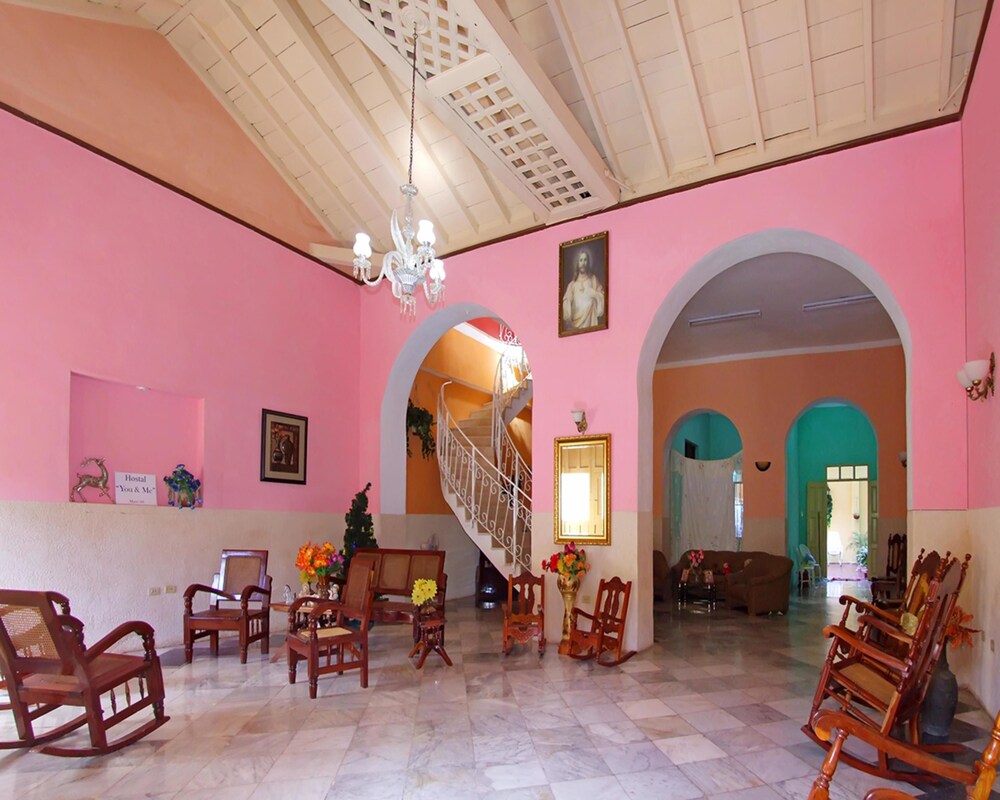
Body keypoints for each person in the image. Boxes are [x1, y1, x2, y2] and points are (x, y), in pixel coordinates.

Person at [561, 247, 605, 330]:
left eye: (585, 260)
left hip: (591, 322)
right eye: (581, 260)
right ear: (577, 263)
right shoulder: (572, 285)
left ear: (588, 262)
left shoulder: (593, 280)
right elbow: (566, 305)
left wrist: (594, 294)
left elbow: (602, 296)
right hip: (575, 324)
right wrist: (567, 303)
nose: (583, 263)